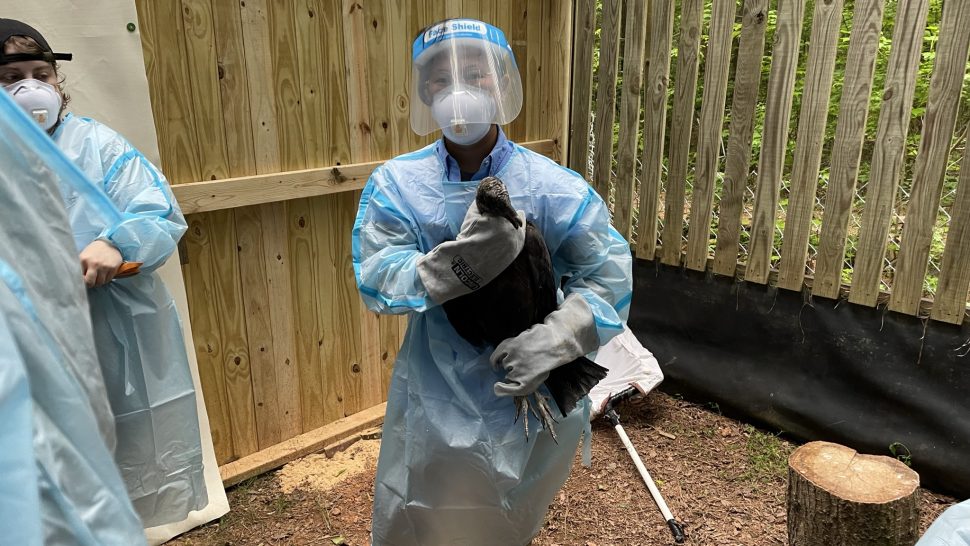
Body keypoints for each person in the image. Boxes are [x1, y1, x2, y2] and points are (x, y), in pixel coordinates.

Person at [352, 18, 633, 545]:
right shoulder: (397, 185)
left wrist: (560, 336)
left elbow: (605, 276)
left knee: (509, 516)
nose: (456, 89)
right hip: (438, 385)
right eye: (439, 79)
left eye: (475, 74)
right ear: (422, 92)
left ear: (501, 84)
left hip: (537, 385)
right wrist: (453, 268)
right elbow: (378, 276)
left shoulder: (554, 188)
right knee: (429, 511)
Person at [1, 18, 207, 528]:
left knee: (120, 443)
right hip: (18, 335)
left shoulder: (97, 146)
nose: (29, 87)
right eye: (10, 79)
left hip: (108, 328)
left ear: (57, 81)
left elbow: (156, 209)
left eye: (40, 74)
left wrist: (115, 241)